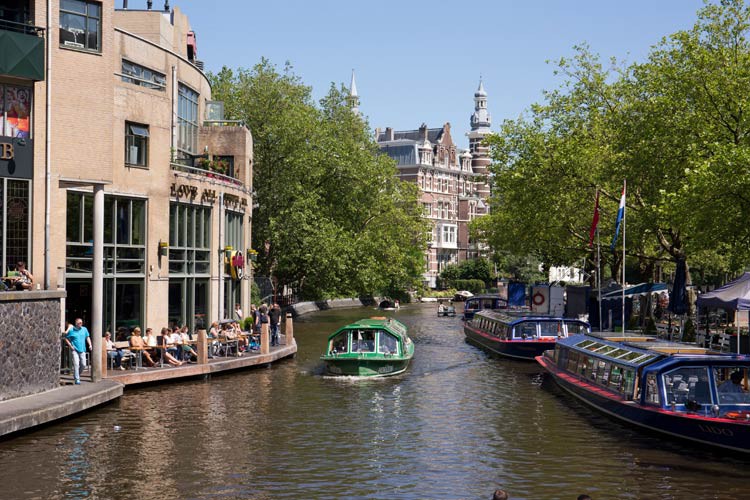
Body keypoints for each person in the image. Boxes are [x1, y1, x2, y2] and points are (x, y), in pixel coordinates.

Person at [65, 318, 91, 384]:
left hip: (82, 350)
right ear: (76, 323)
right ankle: (77, 379)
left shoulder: (84, 329)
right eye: (79, 323)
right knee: (76, 364)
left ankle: (77, 375)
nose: (80, 324)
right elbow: (66, 338)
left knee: (83, 364)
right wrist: (70, 346)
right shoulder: (71, 330)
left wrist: (90, 344)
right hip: (75, 350)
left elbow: (87, 337)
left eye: (81, 323)